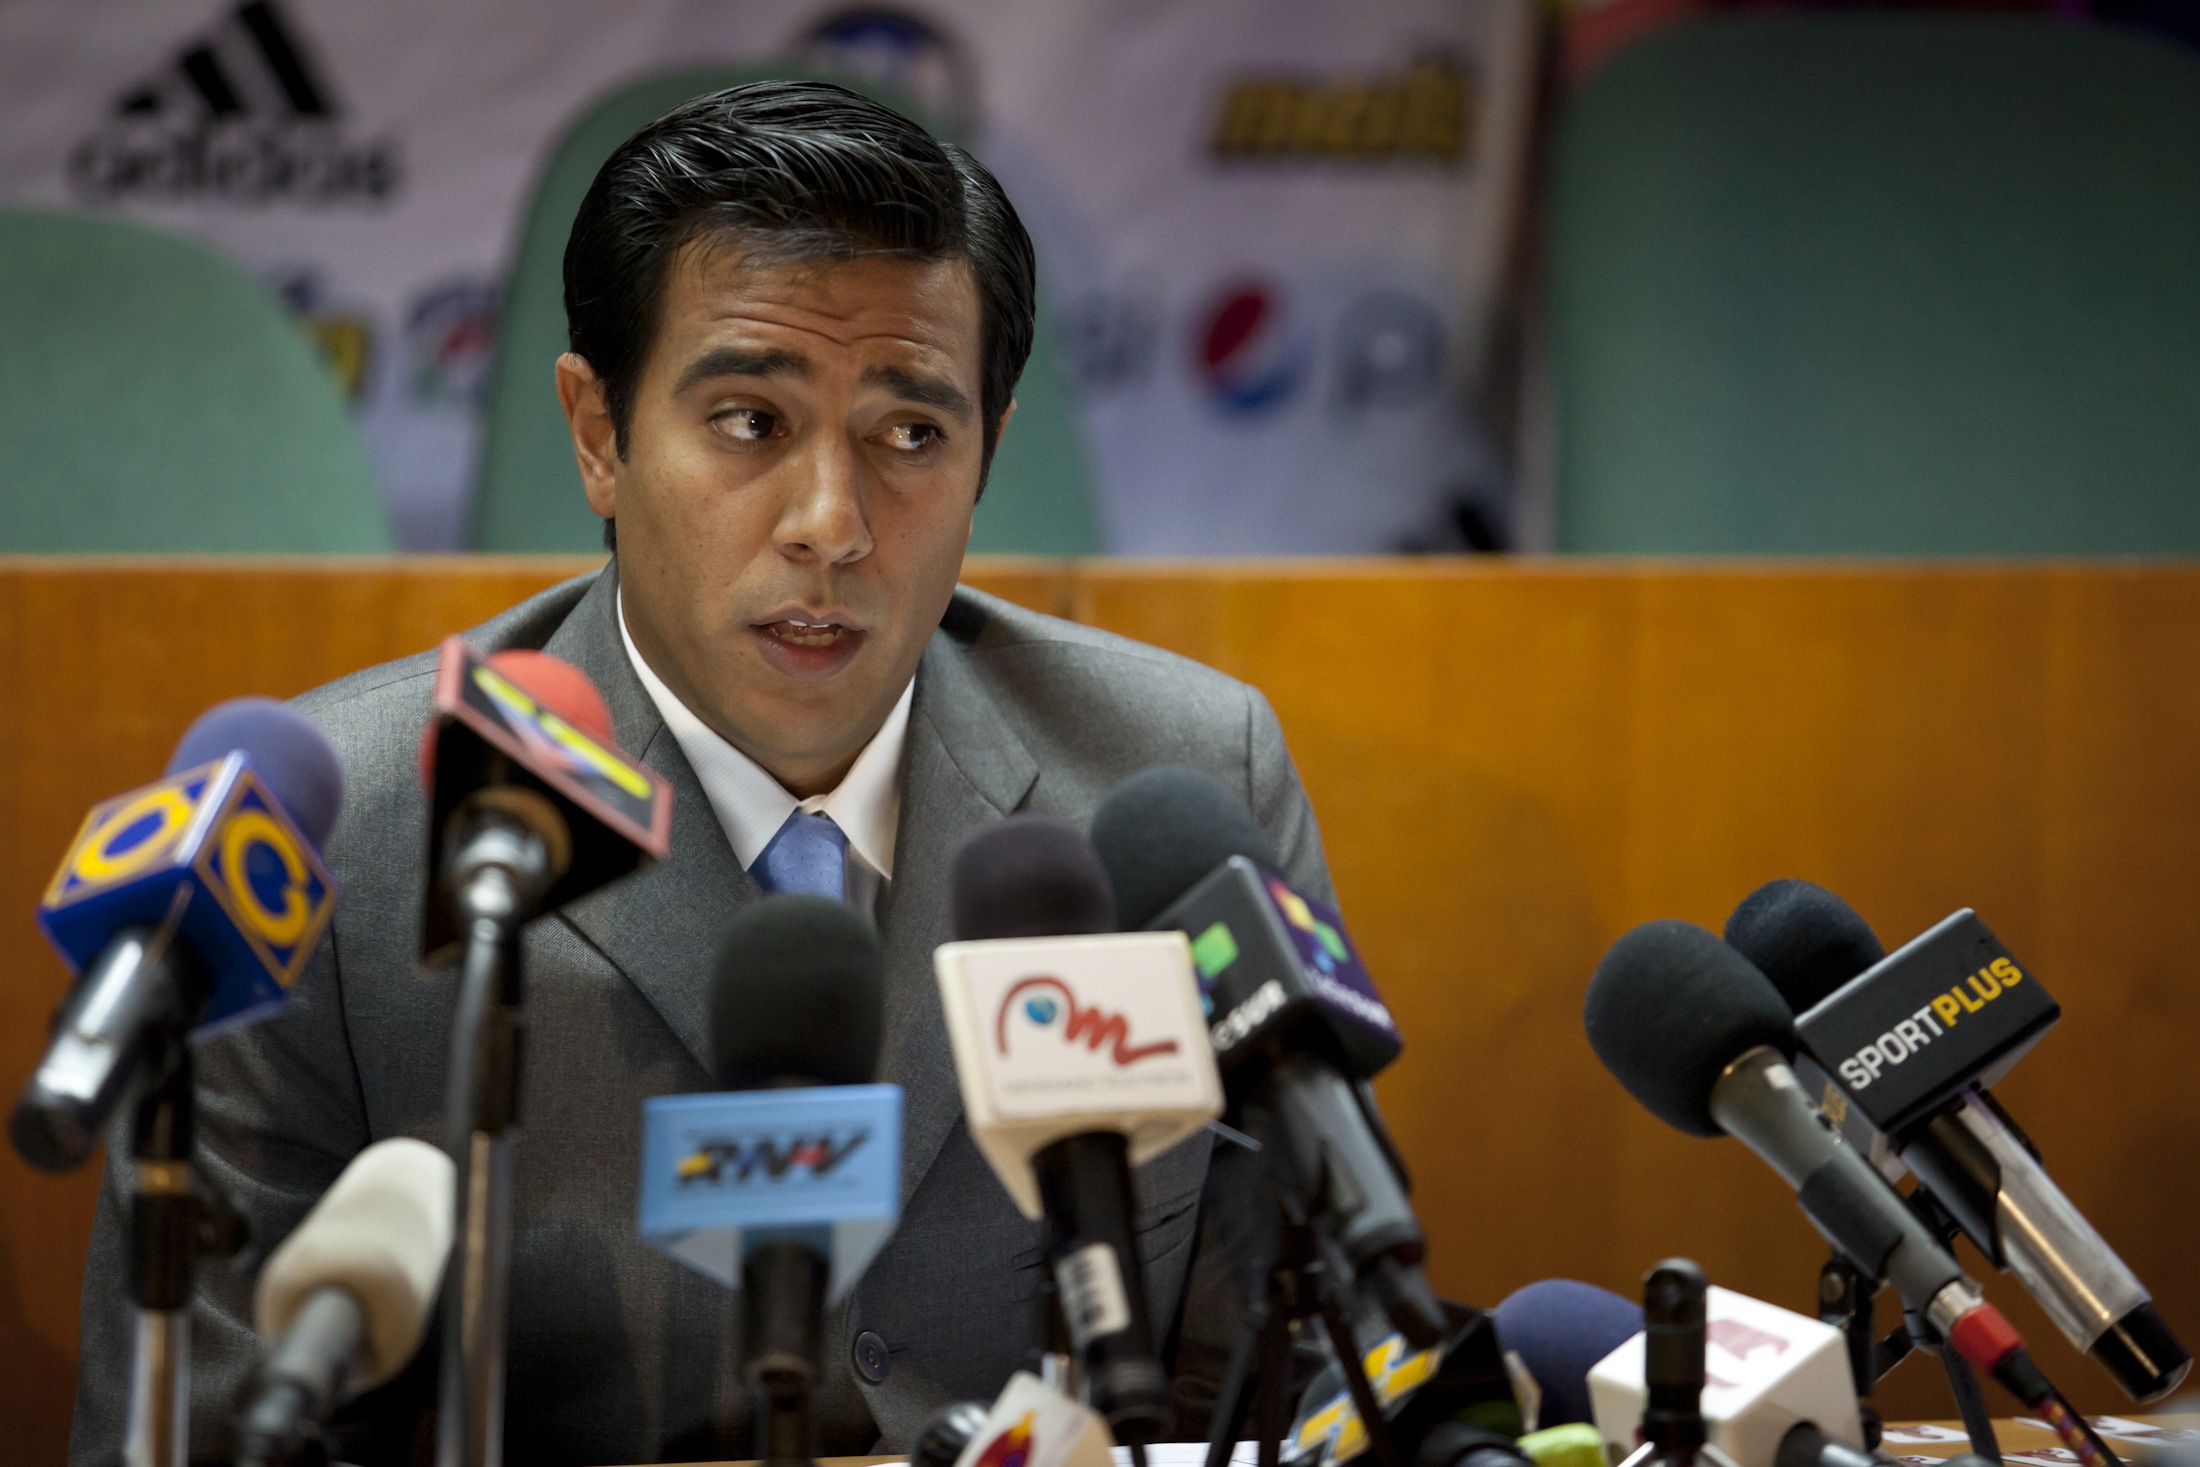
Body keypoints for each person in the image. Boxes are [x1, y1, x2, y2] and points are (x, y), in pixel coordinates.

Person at [71, 81, 1333, 1465]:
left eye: (912, 434)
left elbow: (1297, 1375)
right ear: (599, 433)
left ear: (988, 456)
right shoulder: (332, 845)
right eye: (748, 421)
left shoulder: (1181, 789)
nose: (831, 526)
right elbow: (207, 1432)